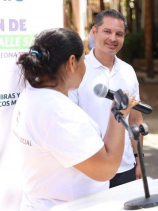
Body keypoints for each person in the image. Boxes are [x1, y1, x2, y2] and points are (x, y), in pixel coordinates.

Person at [12, 28, 139, 211]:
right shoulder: (59, 113)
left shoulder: (31, 94)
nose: (85, 66)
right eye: (83, 58)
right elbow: (106, 169)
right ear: (72, 62)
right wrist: (118, 115)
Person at [69, 9, 144, 188]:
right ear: (94, 32)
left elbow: (135, 119)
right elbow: (72, 121)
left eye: (119, 34)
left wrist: (139, 159)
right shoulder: (77, 69)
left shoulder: (128, 71)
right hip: (90, 168)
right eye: (107, 32)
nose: (113, 38)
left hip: (124, 166)